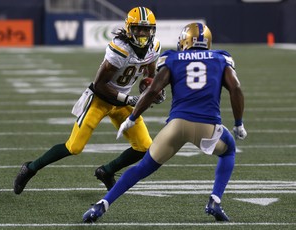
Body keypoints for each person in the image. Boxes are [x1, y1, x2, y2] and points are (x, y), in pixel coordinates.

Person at [83, 22, 247, 223]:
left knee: (142, 168)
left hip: (176, 126)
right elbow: (236, 88)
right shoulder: (221, 58)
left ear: (184, 40)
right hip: (208, 126)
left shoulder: (172, 58)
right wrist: (239, 123)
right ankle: (214, 200)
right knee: (228, 150)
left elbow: (152, 91)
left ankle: (101, 206)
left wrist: (132, 118)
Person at [13, 7, 165, 195]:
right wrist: (129, 98)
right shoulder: (120, 49)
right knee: (74, 147)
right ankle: (30, 168)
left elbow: (149, 76)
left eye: (146, 29)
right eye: (138, 29)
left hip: (123, 103)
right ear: (129, 29)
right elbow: (99, 84)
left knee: (144, 147)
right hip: (100, 99)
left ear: (152, 30)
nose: (142, 33)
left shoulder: (154, 47)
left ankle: (106, 171)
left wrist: (153, 90)